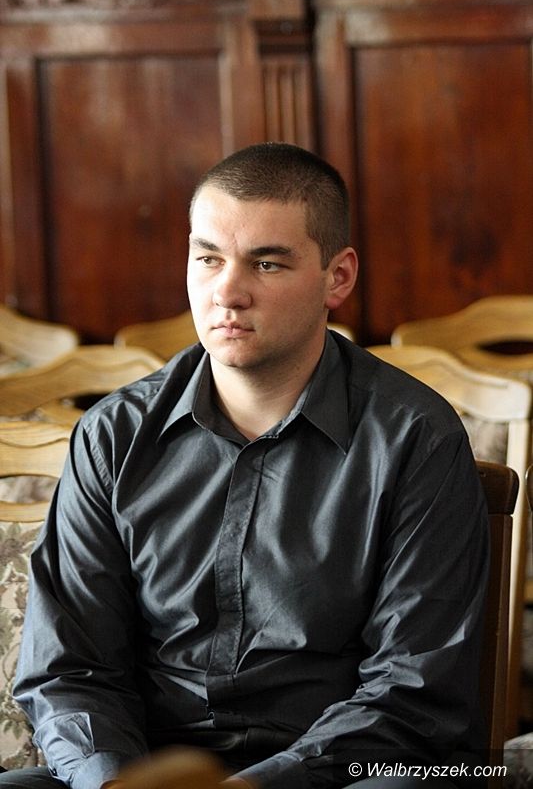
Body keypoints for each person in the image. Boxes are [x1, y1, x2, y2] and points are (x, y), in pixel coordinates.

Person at [1, 143, 489, 789]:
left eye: (266, 263)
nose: (226, 292)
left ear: (337, 278)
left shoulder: (416, 437)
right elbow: (71, 669)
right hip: (148, 771)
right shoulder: (113, 435)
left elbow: (412, 690)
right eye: (208, 258)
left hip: (337, 772)